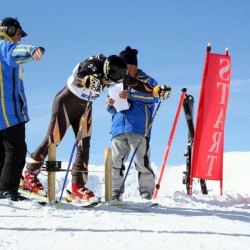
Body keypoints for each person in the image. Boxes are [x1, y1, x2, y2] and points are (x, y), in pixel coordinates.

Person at [22, 52, 171, 203]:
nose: (107, 83)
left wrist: (155, 90)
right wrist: (87, 80)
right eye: (107, 80)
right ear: (105, 70)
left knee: (84, 145)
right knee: (53, 140)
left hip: (85, 107)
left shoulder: (118, 73)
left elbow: (137, 84)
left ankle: (78, 186)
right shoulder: (93, 63)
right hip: (67, 103)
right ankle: (29, 175)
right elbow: (81, 74)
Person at [106, 46, 168, 200]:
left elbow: (154, 98)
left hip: (139, 128)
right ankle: (114, 191)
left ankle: (146, 192)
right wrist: (110, 103)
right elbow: (111, 110)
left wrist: (131, 95)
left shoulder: (148, 81)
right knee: (116, 160)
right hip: (118, 128)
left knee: (141, 160)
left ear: (132, 66)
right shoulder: (116, 82)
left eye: (125, 67)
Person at [0, 17, 45, 201]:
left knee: (3, 152)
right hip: (8, 113)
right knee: (16, 150)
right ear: (10, 30)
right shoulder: (4, 46)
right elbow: (16, 51)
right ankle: (8, 190)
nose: (19, 38)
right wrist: (33, 49)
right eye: (19, 34)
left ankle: (3, 190)